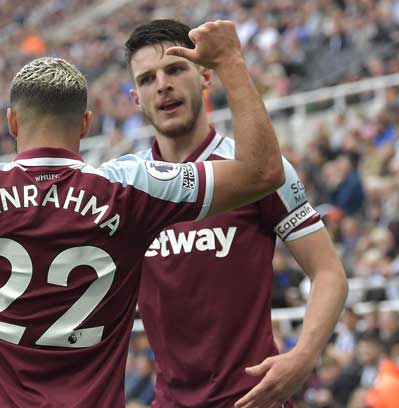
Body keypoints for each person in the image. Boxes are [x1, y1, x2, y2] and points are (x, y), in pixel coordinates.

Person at [0, 21, 285, 407]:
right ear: (84, 123)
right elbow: (263, 172)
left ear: (12, 122)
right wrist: (229, 62)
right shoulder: (133, 187)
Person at [124, 19, 348, 408]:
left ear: (205, 77)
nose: (162, 85)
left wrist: (304, 356)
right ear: (136, 100)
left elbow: (329, 273)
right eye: (147, 79)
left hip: (252, 400)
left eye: (176, 69)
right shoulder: (128, 186)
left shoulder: (255, 169)